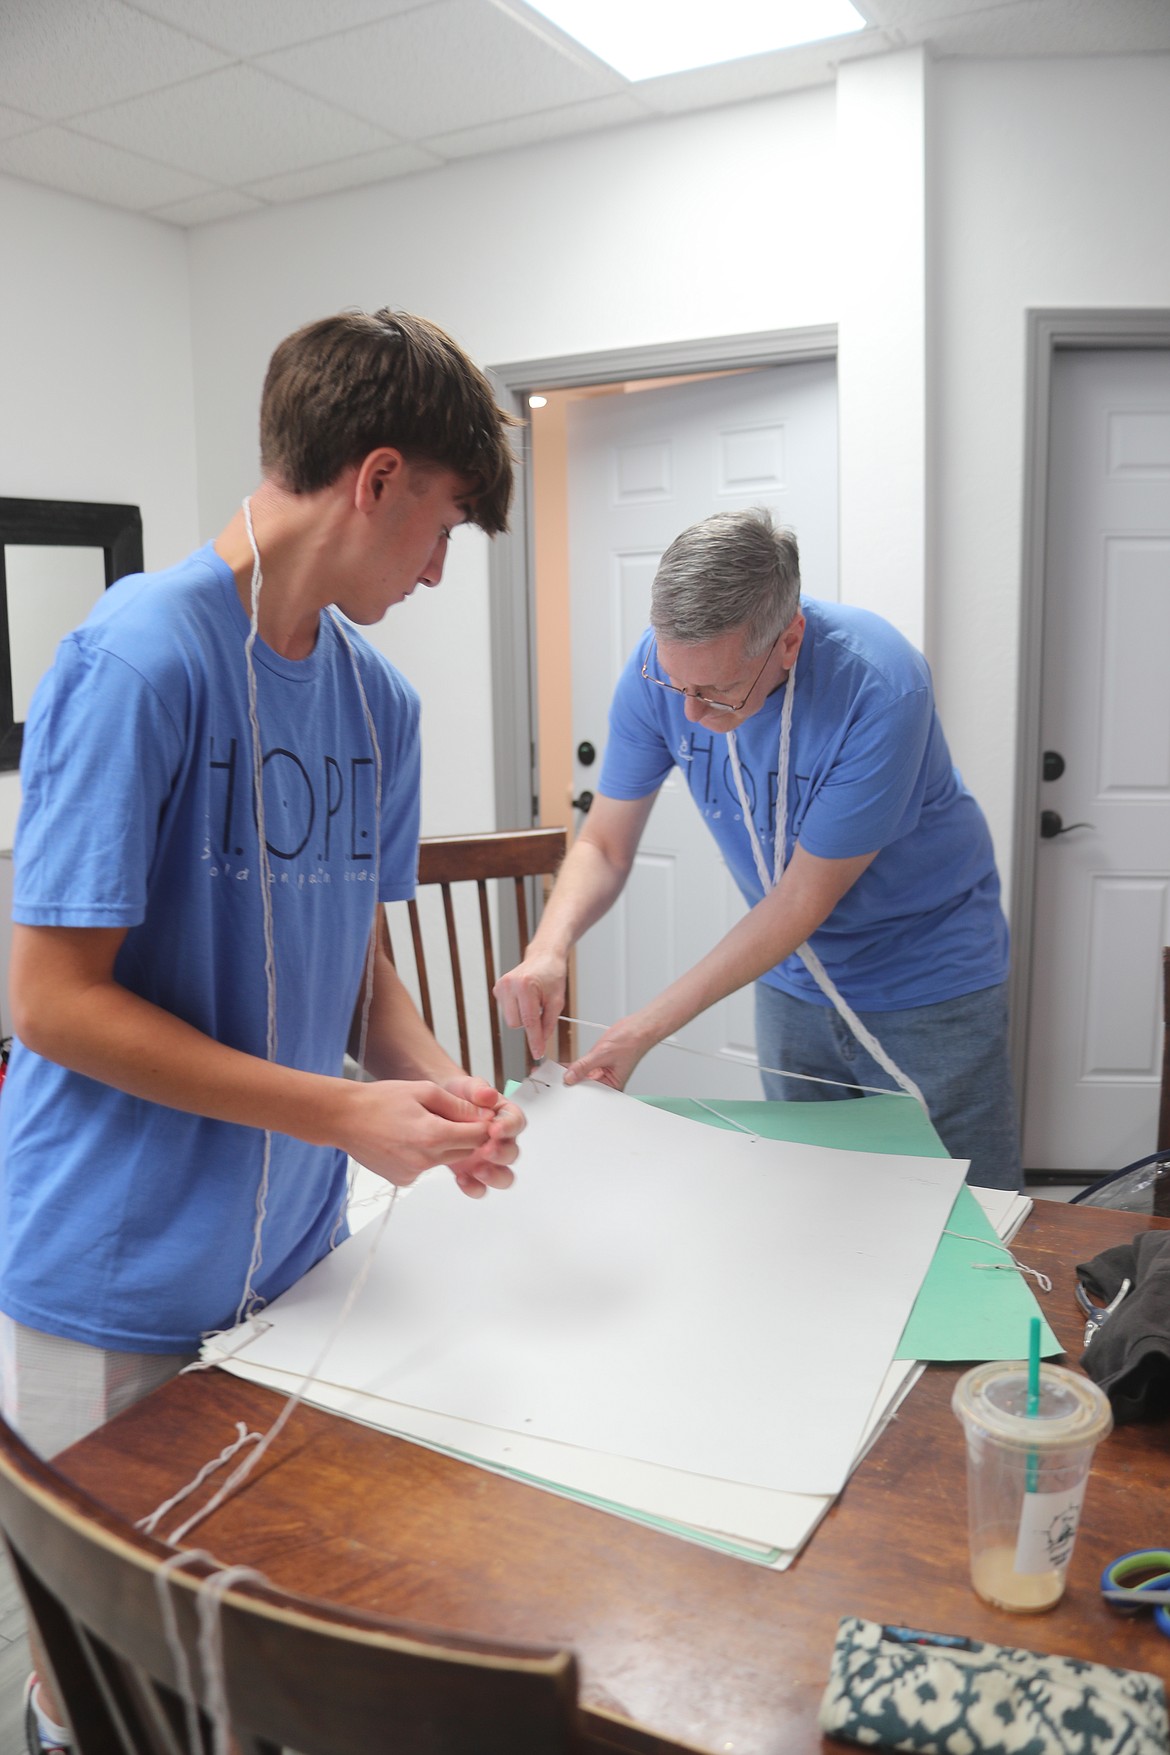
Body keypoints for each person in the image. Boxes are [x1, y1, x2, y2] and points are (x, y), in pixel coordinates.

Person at [0, 309, 524, 1754]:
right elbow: (45, 1001)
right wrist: (342, 1113)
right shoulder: (138, 660)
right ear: (373, 476)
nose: (435, 567)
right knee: (104, 1678)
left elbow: (358, 971)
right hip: (109, 1266)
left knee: (255, 1633)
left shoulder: (378, 704)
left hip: (292, 1259)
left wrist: (434, 1081)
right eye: (441, 526)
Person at [495, 506, 1021, 1192]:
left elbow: (803, 898)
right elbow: (604, 842)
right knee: (812, 1195)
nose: (688, 714)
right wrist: (548, 947)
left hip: (927, 979)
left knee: (968, 1208)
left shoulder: (880, 685)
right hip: (789, 981)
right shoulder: (663, 671)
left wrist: (641, 1030)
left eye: (714, 691)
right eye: (674, 683)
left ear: (789, 639)